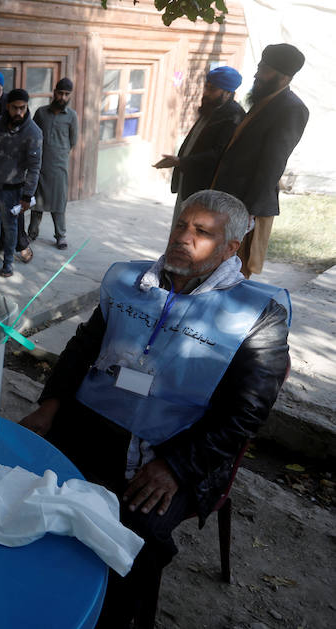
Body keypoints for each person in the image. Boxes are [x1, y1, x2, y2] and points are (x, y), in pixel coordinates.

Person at [20, 189, 290, 628]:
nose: (183, 237)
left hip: (178, 445)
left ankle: (113, 616)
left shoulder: (257, 313)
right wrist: (50, 406)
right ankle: (36, 590)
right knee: (27, 475)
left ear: (230, 248)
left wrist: (177, 467)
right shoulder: (131, 282)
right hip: (95, 416)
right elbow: (83, 347)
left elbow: (245, 414)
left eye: (201, 232)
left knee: (132, 533)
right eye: (181, 225)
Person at [213, 44, 309, 278]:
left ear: (283, 76)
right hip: (229, 198)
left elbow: (273, 164)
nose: (257, 74)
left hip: (247, 205)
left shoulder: (291, 109)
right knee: (215, 261)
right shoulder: (264, 99)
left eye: (264, 69)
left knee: (234, 269)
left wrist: (249, 212)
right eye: (259, 67)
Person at [154, 66, 245, 221]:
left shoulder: (233, 116)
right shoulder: (211, 109)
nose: (206, 93)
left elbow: (218, 154)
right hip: (188, 180)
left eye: (212, 89)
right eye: (206, 87)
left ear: (227, 93)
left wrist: (180, 161)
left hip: (204, 187)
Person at [0, 88, 42, 277]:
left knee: (11, 229)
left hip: (14, 190)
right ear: (7, 106)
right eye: (15, 108)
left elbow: (34, 168)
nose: (19, 112)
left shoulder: (34, 132)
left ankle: (8, 264)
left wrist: (27, 195)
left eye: (23, 108)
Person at [30, 77, 79, 250]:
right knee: (36, 202)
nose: (63, 97)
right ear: (54, 92)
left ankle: (61, 236)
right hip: (40, 166)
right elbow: (32, 136)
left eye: (67, 94)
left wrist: (59, 154)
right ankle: (32, 233)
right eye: (60, 93)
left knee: (59, 203)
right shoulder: (41, 113)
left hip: (59, 167)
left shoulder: (72, 116)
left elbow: (73, 141)